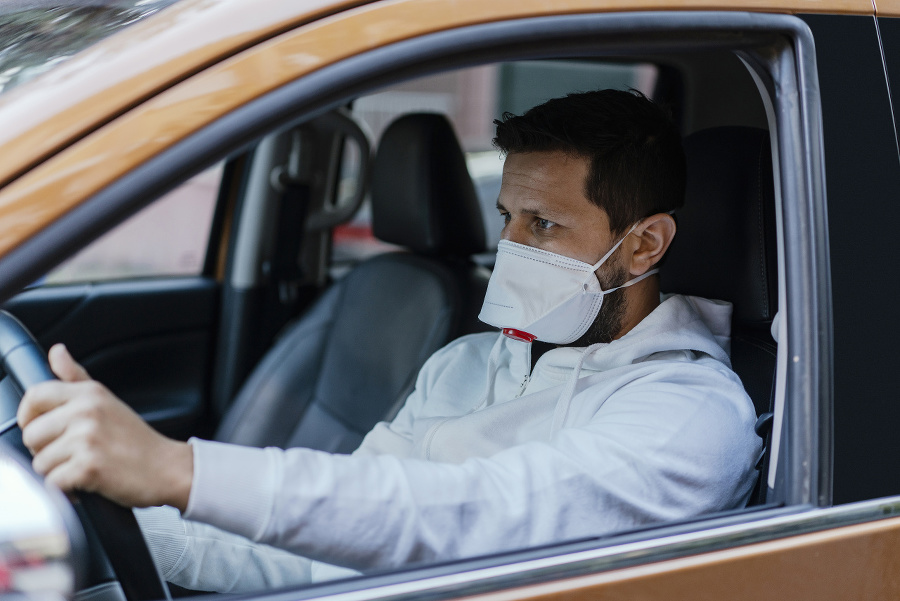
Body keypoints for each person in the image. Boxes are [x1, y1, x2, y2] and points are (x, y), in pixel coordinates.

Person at [17, 89, 761, 592]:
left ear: (644, 245)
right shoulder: (468, 361)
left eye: (542, 224)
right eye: (505, 215)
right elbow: (330, 551)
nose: (506, 246)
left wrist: (179, 469)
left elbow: (467, 516)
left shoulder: (690, 416)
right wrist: (120, 524)